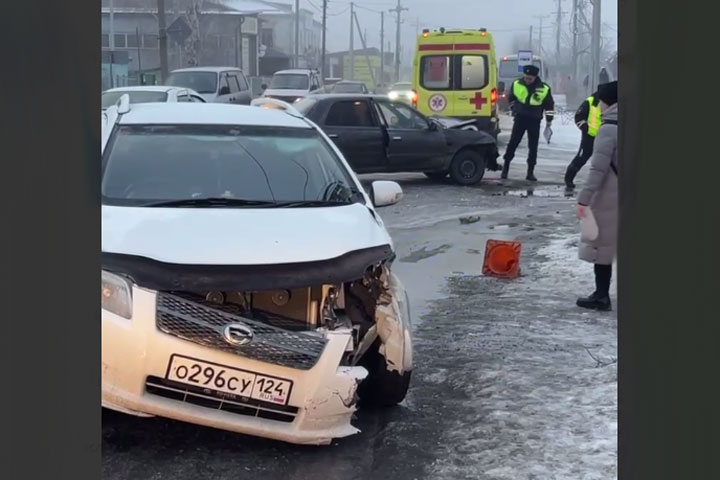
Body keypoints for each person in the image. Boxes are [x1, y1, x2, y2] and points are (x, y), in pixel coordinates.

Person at [576, 81, 618, 311]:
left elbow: (598, 170)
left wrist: (584, 199)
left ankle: (601, 295)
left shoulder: (608, 129)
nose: (598, 105)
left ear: (609, 103)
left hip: (610, 197)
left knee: (602, 247)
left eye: (601, 101)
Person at [501, 64, 555, 182]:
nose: (527, 80)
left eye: (530, 79)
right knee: (513, 143)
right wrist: (513, 108)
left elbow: (549, 106)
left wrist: (549, 121)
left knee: (533, 147)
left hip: (534, 120)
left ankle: (530, 172)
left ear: (535, 78)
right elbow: (511, 98)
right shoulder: (517, 84)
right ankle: (505, 168)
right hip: (520, 118)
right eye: (526, 78)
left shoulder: (544, 88)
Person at [564, 90, 602, 193]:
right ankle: (569, 178)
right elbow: (579, 117)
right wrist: (586, 129)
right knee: (583, 156)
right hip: (590, 135)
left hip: (607, 137)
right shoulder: (590, 101)